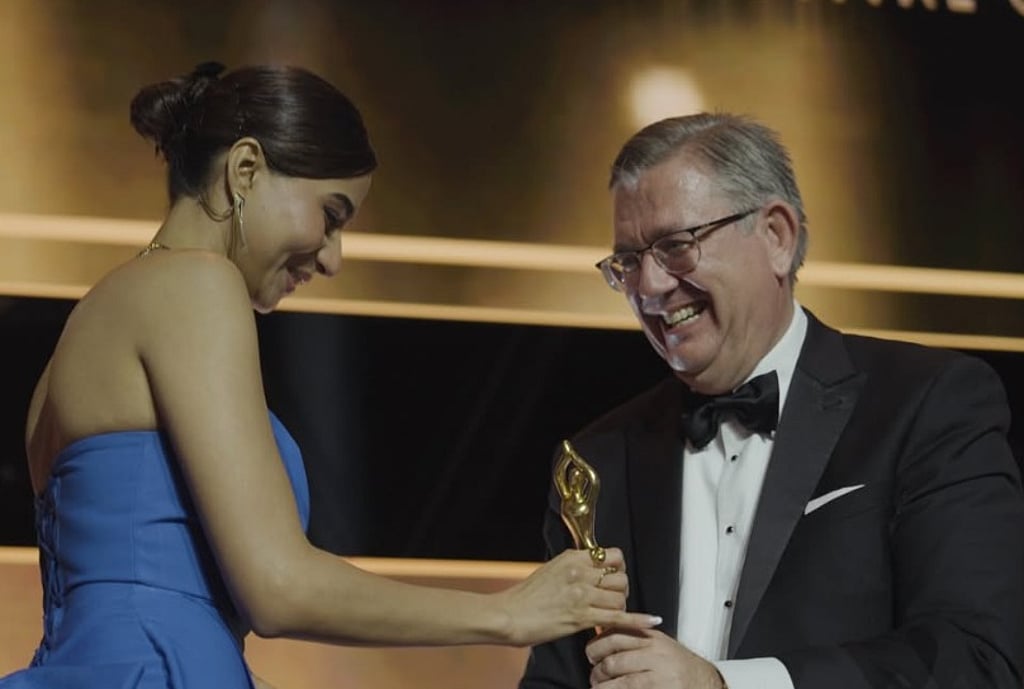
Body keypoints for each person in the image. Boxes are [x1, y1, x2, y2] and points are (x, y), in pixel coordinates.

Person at [0, 62, 661, 689]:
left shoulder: (91, 326)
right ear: (245, 169)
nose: (334, 257)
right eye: (332, 215)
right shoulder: (194, 284)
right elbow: (278, 587)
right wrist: (509, 613)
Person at [519, 113, 1024, 688]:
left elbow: (975, 659)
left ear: (777, 237)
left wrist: (725, 685)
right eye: (629, 262)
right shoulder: (597, 461)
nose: (650, 287)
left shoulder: (927, 403)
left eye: (677, 246)